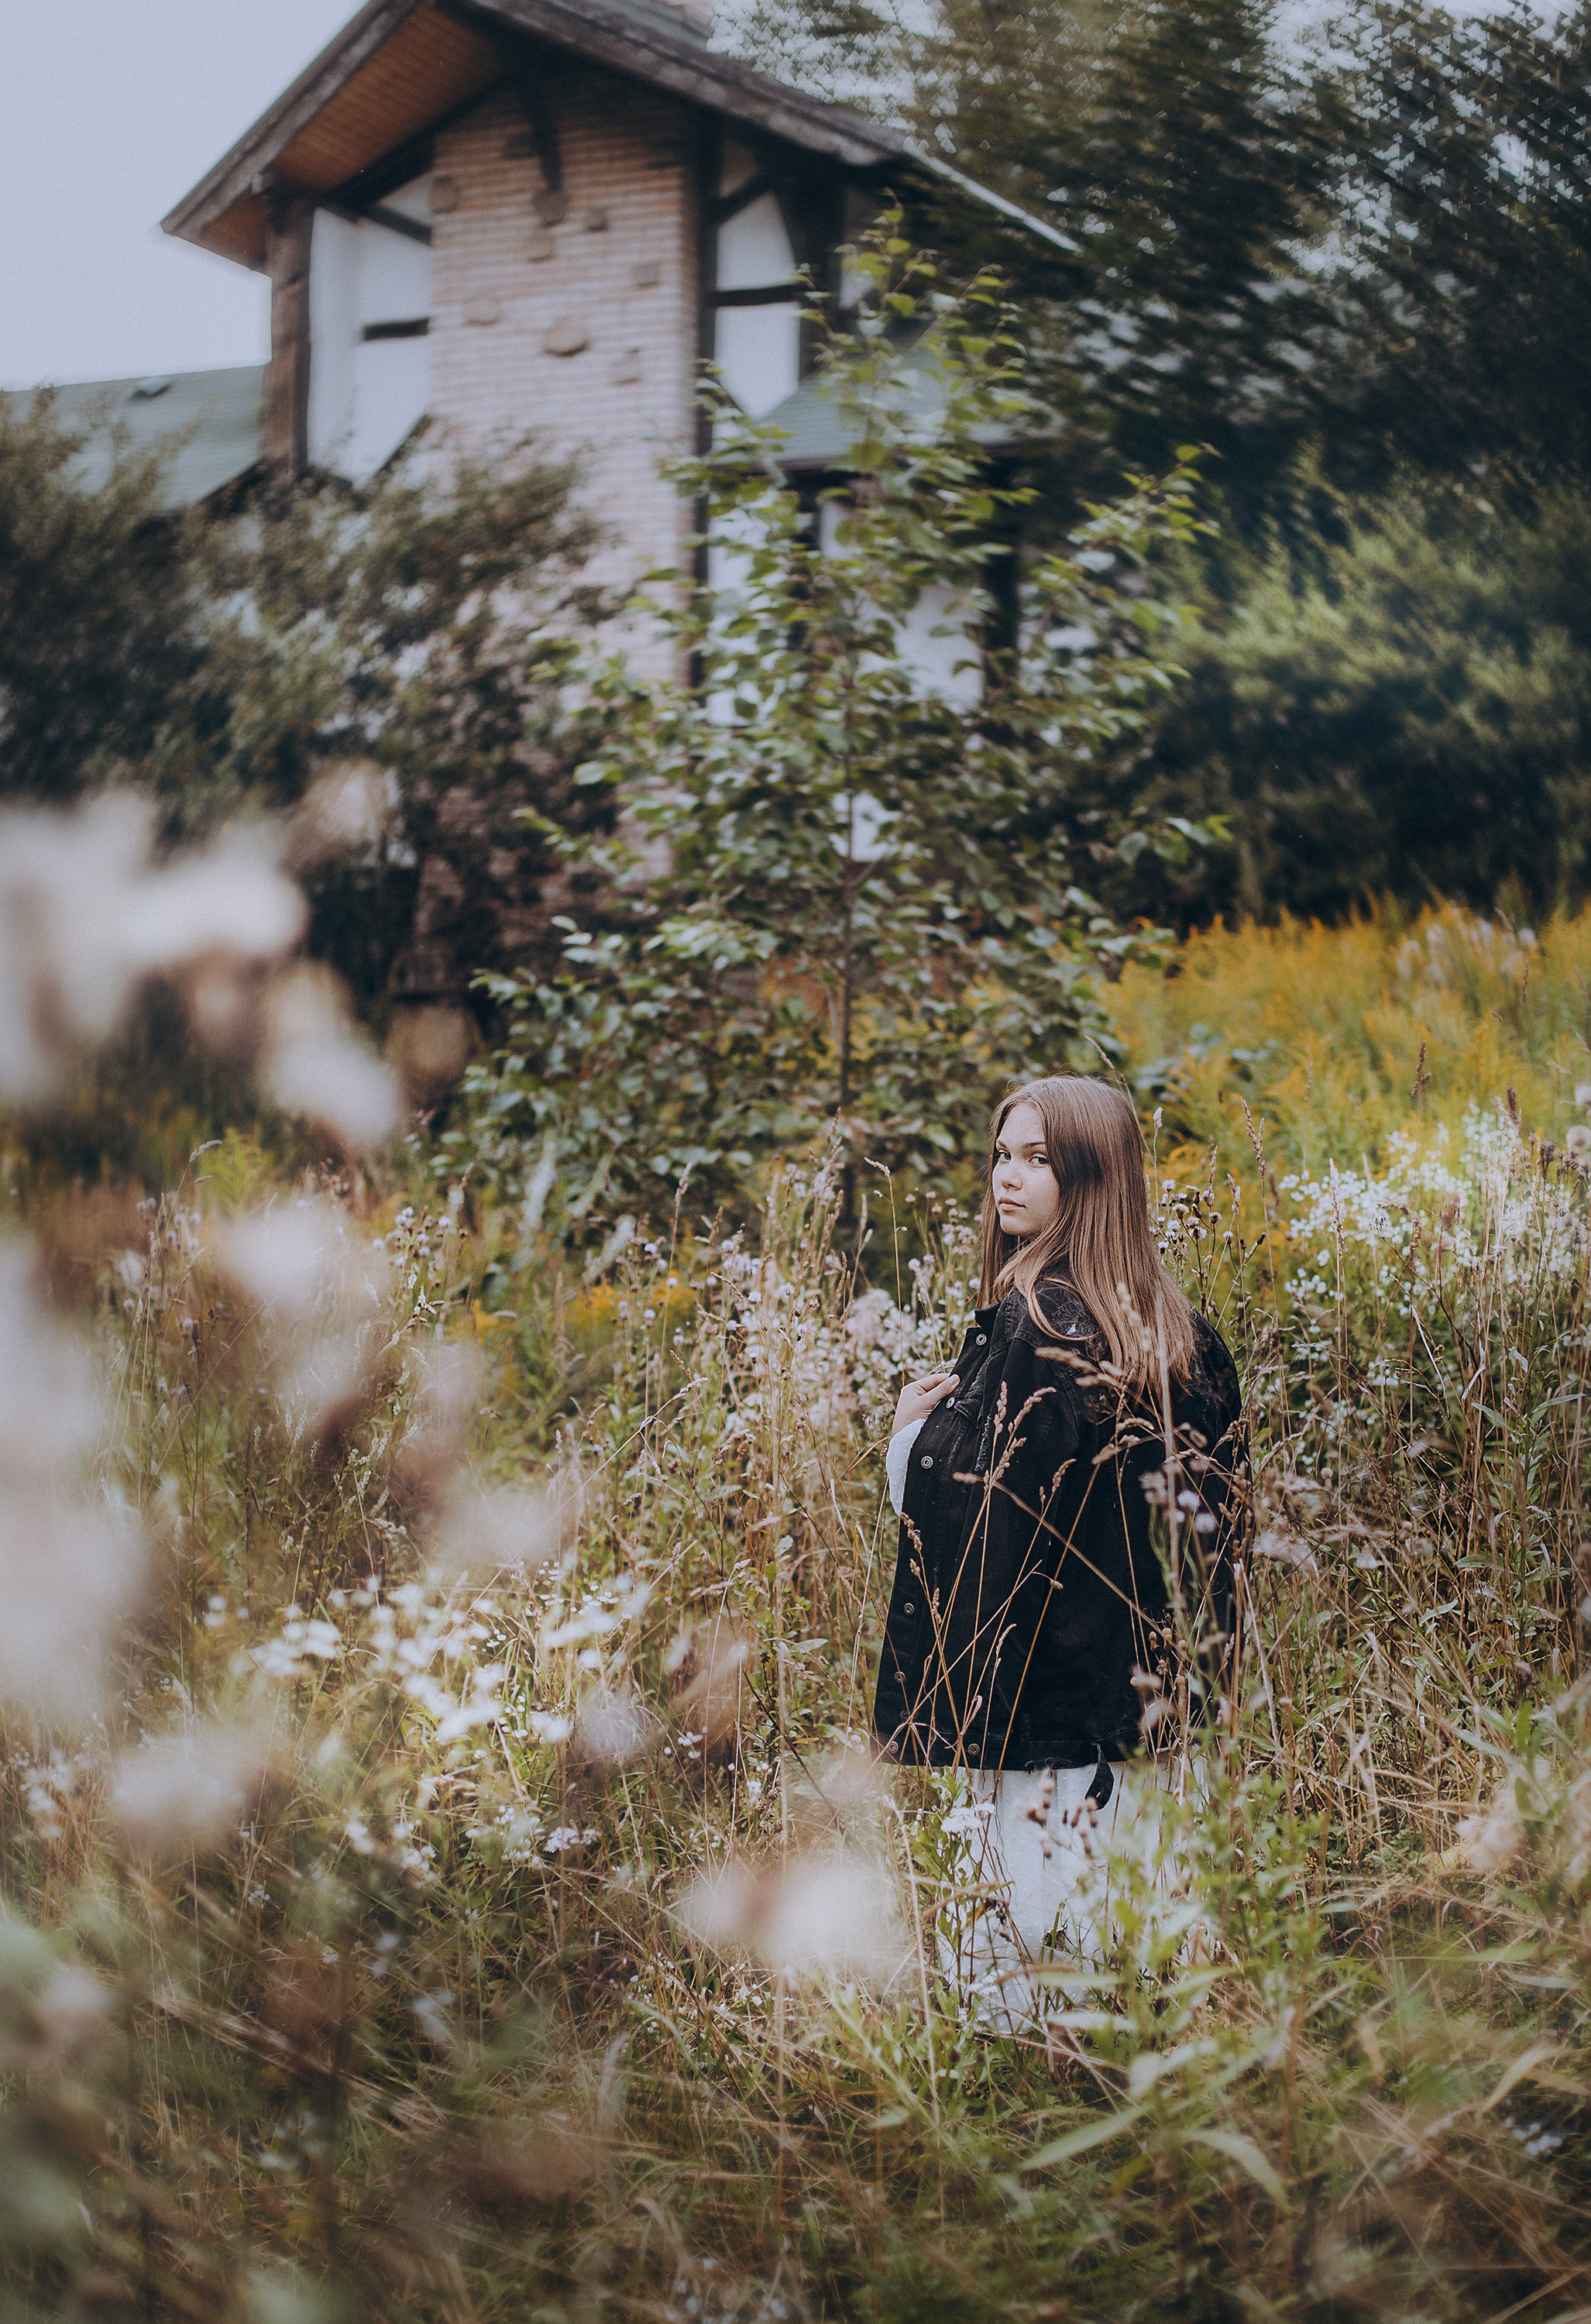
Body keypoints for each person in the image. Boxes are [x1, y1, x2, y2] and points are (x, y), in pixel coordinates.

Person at [874, 1074, 1248, 2014]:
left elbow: (976, 1513)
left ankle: (1038, 2086)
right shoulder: (1184, 1334)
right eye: (1003, 1154)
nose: (1009, 1178)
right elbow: (1223, 1527)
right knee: (1147, 1938)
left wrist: (907, 1442)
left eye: (1039, 1160)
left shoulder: (1035, 1321)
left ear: (1092, 1177)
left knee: (1038, 1959)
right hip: (1155, 1696)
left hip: (1050, 1704)